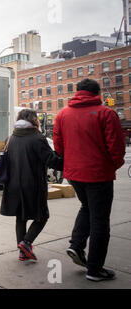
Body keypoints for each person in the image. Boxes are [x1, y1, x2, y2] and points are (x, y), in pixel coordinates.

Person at [53, 79, 126, 282]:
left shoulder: (62, 114)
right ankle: (94, 269)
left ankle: (76, 245)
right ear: (97, 93)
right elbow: (117, 147)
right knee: (100, 220)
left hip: (74, 174)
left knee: (87, 207)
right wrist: (112, 166)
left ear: (78, 92)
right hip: (98, 174)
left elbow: (58, 147)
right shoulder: (105, 113)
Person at [0, 109, 63, 261]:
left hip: (13, 186)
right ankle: (26, 243)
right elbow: (52, 160)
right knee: (42, 216)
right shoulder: (37, 138)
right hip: (32, 185)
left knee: (21, 218)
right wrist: (67, 160)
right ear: (34, 120)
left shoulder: (10, 138)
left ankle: (22, 253)